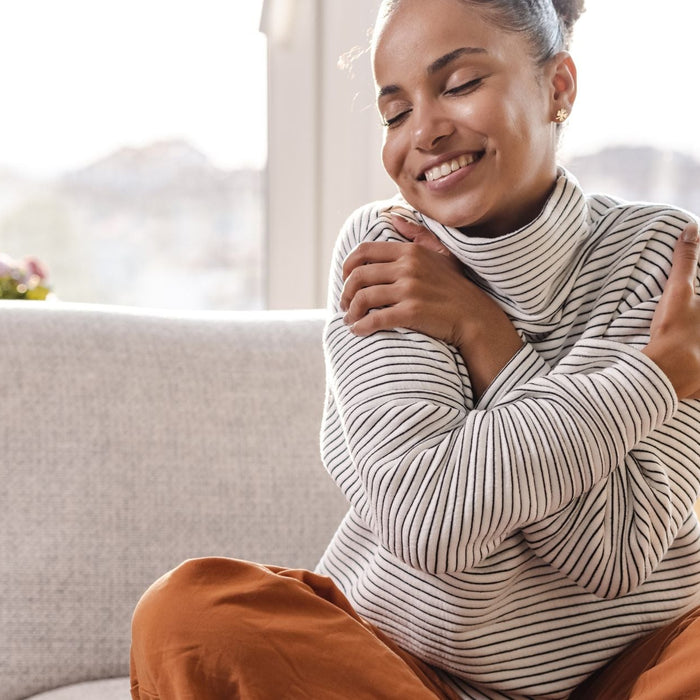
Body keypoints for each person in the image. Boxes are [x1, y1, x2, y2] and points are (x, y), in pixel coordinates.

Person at [129, 0, 700, 697]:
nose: (424, 132)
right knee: (192, 614)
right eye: (395, 113)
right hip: (401, 672)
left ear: (559, 88)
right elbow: (429, 522)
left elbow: (614, 553)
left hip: (621, 674)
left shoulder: (667, 259)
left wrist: (486, 334)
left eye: (459, 84)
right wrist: (648, 382)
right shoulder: (385, 250)